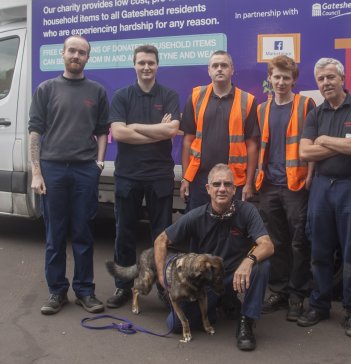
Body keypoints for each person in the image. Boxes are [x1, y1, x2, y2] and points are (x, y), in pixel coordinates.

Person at [154, 163, 274, 351]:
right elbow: (161, 240)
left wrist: (248, 261)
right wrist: (162, 279)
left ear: (234, 189)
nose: (222, 189)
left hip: (235, 274)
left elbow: (267, 244)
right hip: (207, 282)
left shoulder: (247, 211)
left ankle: (246, 321)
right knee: (175, 326)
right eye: (216, 184)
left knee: (262, 264)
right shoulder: (196, 216)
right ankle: (220, 302)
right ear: (208, 189)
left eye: (227, 184)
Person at [29, 35, 109, 315]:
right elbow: (35, 130)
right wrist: (36, 172)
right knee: (55, 234)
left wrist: (98, 163)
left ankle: (85, 291)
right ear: (62, 54)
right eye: (72, 50)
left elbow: (102, 130)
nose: (76, 55)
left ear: (88, 57)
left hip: (84, 170)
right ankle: (57, 292)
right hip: (52, 170)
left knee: (83, 233)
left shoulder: (96, 90)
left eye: (82, 52)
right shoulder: (46, 89)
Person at [298, 58, 351, 337]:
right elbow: (305, 153)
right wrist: (341, 142)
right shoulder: (315, 114)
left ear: (342, 78)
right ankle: (319, 305)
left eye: (331, 77)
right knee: (319, 249)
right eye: (321, 79)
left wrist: (324, 141)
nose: (326, 83)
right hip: (321, 187)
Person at [106, 45, 180, 308]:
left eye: (151, 62)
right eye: (141, 63)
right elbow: (119, 133)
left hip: (159, 174)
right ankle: (123, 287)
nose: (146, 67)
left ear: (158, 65)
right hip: (128, 175)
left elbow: (171, 131)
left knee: (161, 234)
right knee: (124, 231)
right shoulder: (122, 96)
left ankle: (162, 285)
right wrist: (156, 130)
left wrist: (134, 126)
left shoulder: (169, 95)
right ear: (134, 65)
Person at [255, 55, 315, 321]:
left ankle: (297, 295)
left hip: (295, 186)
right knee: (275, 242)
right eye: (276, 77)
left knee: (299, 242)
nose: (280, 82)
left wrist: (310, 176)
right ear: (270, 78)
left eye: (286, 78)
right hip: (269, 186)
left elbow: (311, 145)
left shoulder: (305, 104)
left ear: (294, 80)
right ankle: (279, 291)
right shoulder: (262, 109)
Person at [180, 50, 259, 211]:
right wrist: (185, 178)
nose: (219, 69)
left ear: (232, 69)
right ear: (209, 70)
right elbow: (188, 140)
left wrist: (249, 183)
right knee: (198, 228)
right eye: (215, 65)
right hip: (200, 179)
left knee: (231, 230)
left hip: (233, 180)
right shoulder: (196, 97)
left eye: (224, 65)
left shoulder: (248, 101)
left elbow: (251, 145)